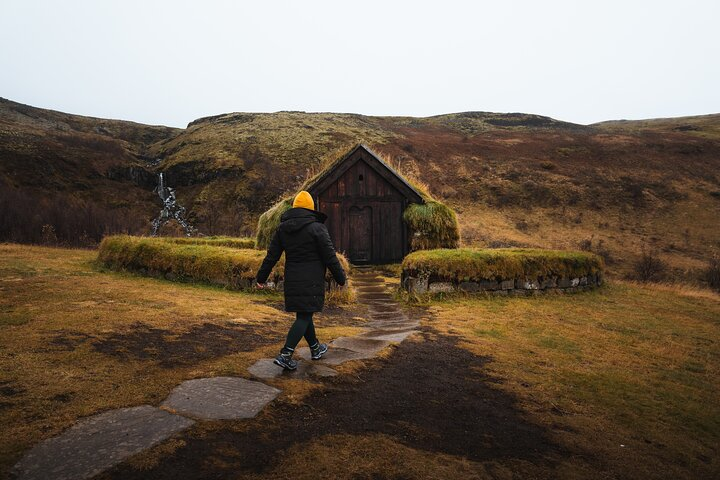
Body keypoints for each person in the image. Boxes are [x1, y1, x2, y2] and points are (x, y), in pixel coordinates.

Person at [255, 190, 346, 370]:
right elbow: (330, 256)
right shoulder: (317, 228)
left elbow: (272, 256)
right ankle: (285, 354)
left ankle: (315, 348)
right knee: (304, 316)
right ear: (311, 209)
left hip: (293, 279)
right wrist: (341, 278)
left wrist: (261, 277)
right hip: (312, 279)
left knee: (304, 314)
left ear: (295, 207)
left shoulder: (283, 229)